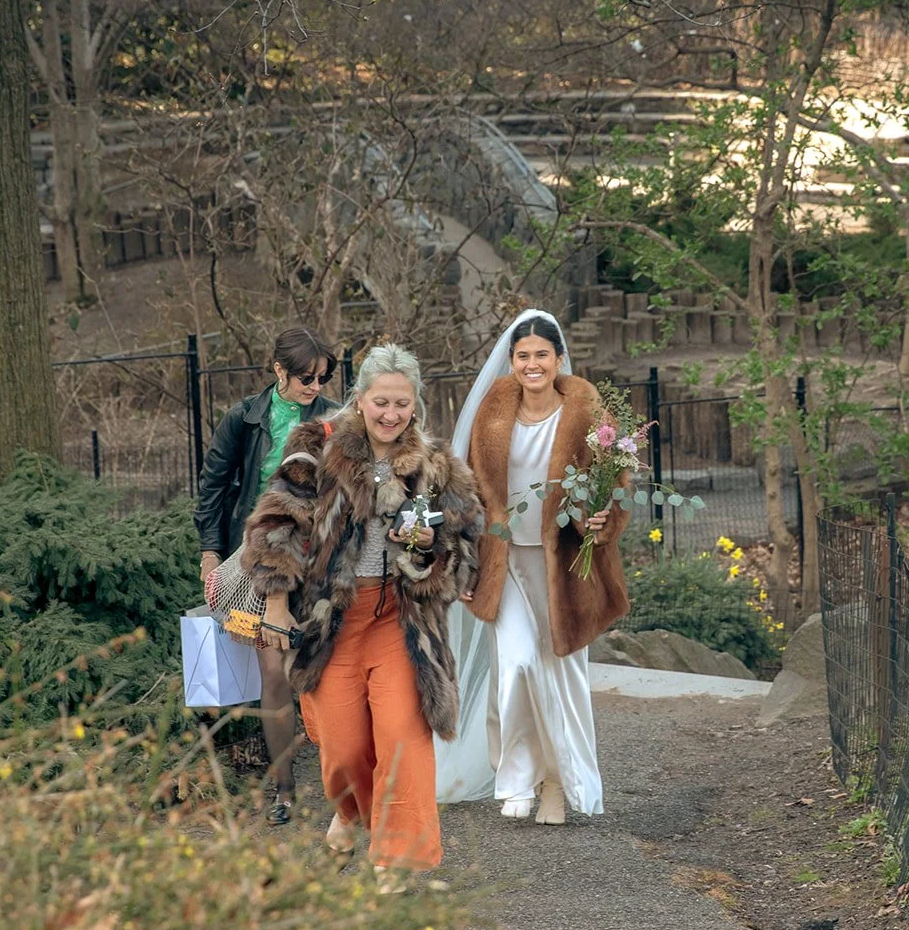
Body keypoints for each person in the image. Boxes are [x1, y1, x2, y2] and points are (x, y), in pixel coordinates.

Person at [243, 343, 482, 886]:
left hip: (400, 620)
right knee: (346, 747)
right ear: (360, 399)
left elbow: (466, 546)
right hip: (332, 619)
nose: (391, 415)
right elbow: (274, 525)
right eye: (381, 403)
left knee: (402, 738)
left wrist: (425, 549)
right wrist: (277, 604)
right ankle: (349, 813)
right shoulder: (316, 445)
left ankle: (392, 861)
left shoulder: (436, 466)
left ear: (416, 405)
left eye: (402, 404)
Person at [454, 309, 630, 823]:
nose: (533, 364)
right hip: (503, 561)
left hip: (567, 567)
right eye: (524, 356)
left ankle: (560, 782)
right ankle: (517, 780)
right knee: (517, 666)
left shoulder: (588, 411)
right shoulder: (491, 412)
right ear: (511, 361)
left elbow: (616, 486)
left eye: (542, 356)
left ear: (558, 359)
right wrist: (465, 565)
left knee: (562, 675)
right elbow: (468, 497)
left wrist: (605, 519)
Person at [193, 326, 339, 824]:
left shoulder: (335, 420)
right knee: (273, 670)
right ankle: (284, 790)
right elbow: (213, 485)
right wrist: (212, 552)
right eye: (304, 377)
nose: (314, 386)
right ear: (278, 370)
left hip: (319, 556)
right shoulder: (245, 418)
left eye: (322, 377)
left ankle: (346, 773)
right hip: (259, 554)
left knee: (325, 665)